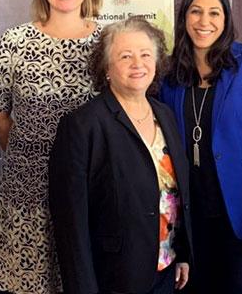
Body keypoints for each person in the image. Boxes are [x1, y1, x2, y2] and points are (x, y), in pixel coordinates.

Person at [0, 0, 103, 293]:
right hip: (29, 181)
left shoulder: (109, 43)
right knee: (30, 281)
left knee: (85, 277)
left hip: (92, 183)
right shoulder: (14, 42)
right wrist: (27, 149)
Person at [159, 0, 242, 293]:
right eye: (196, 12)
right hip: (191, 218)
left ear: (226, 19)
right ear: (184, 18)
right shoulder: (169, 74)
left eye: (214, 13)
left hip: (239, 217)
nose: (205, 22)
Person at [49, 17, 191, 294]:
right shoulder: (82, 125)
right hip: (114, 276)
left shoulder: (165, 115)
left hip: (165, 268)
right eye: (125, 56)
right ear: (106, 68)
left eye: (145, 54)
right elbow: (70, 222)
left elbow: (175, 193)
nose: (138, 64)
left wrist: (182, 252)